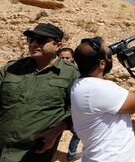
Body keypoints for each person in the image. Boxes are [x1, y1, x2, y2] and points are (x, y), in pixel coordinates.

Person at [0, 23, 80, 162]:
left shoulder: (71, 75)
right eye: (31, 40)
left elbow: (76, 111)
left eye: (41, 40)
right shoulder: (11, 68)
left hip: (34, 154)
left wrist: (55, 132)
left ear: (58, 46)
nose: (34, 44)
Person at [71, 36, 135, 162]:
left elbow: (117, 109)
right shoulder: (98, 88)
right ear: (102, 64)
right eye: (109, 53)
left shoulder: (81, 85)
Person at [58, 47, 81, 162]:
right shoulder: (54, 72)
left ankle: (71, 154)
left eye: (68, 58)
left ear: (73, 59)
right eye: (62, 58)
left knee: (78, 133)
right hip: (56, 111)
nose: (65, 60)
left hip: (70, 111)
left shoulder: (77, 73)